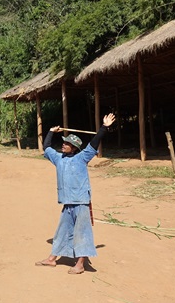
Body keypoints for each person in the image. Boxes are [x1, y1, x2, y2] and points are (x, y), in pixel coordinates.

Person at [36, 113, 116, 275]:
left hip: (81, 202)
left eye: (68, 144)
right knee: (62, 231)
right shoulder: (59, 158)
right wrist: (51, 132)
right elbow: (46, 147)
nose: (64, 145)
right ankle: (52, 259)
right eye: (64, 142)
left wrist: (104, 127)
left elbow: (94, 143)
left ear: (74, 148)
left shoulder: (82, 158)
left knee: (82, 232)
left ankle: (80, 263)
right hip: (68, 203)